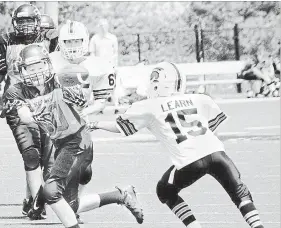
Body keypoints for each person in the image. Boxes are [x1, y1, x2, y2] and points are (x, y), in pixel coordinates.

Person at [88, 62, 265, 228]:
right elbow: (211, 128)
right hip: (218, 153)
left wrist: (96, 124)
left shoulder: (149, 106)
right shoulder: (199, 98)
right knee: (241, 194)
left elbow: (121, 127)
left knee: (164, 190)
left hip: (190, 160)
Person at [2, 43, 144, 227]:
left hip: (76, 140)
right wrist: (47, 105)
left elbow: (81, 100)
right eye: (31, 68)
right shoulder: (16, 91)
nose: (36, 72)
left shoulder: (61, 80)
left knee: (51, 192)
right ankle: (121, 195)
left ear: (48, 64)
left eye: (40, 66)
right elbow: (25, 117)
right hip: (63, 143)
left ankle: (45, 198)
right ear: (22, 70)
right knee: (70, 206)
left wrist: (74, 92)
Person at [0, 3, 58, 217]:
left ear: (37, 21)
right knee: (31, 154)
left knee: (47, 159)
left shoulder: (49, 38)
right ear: (15, 23)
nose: (25, 26)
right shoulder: (3, 42)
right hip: (16, 102)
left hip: (45, 102)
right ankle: (37, 204)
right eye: (21, 21)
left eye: (29, 21)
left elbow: (60, 65)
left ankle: (31, 198)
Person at [48, 20, 117, 220]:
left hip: (80, 126)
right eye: (68, 42)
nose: (72, 46)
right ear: (60, 42)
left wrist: (85, 113)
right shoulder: (50, 62)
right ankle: (59, 205)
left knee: (85, 172)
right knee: (57, 171)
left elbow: (101, 102)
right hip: (56, 126)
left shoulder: (99, 65)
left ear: (86, 41)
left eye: (76, 41)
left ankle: (71, 206)